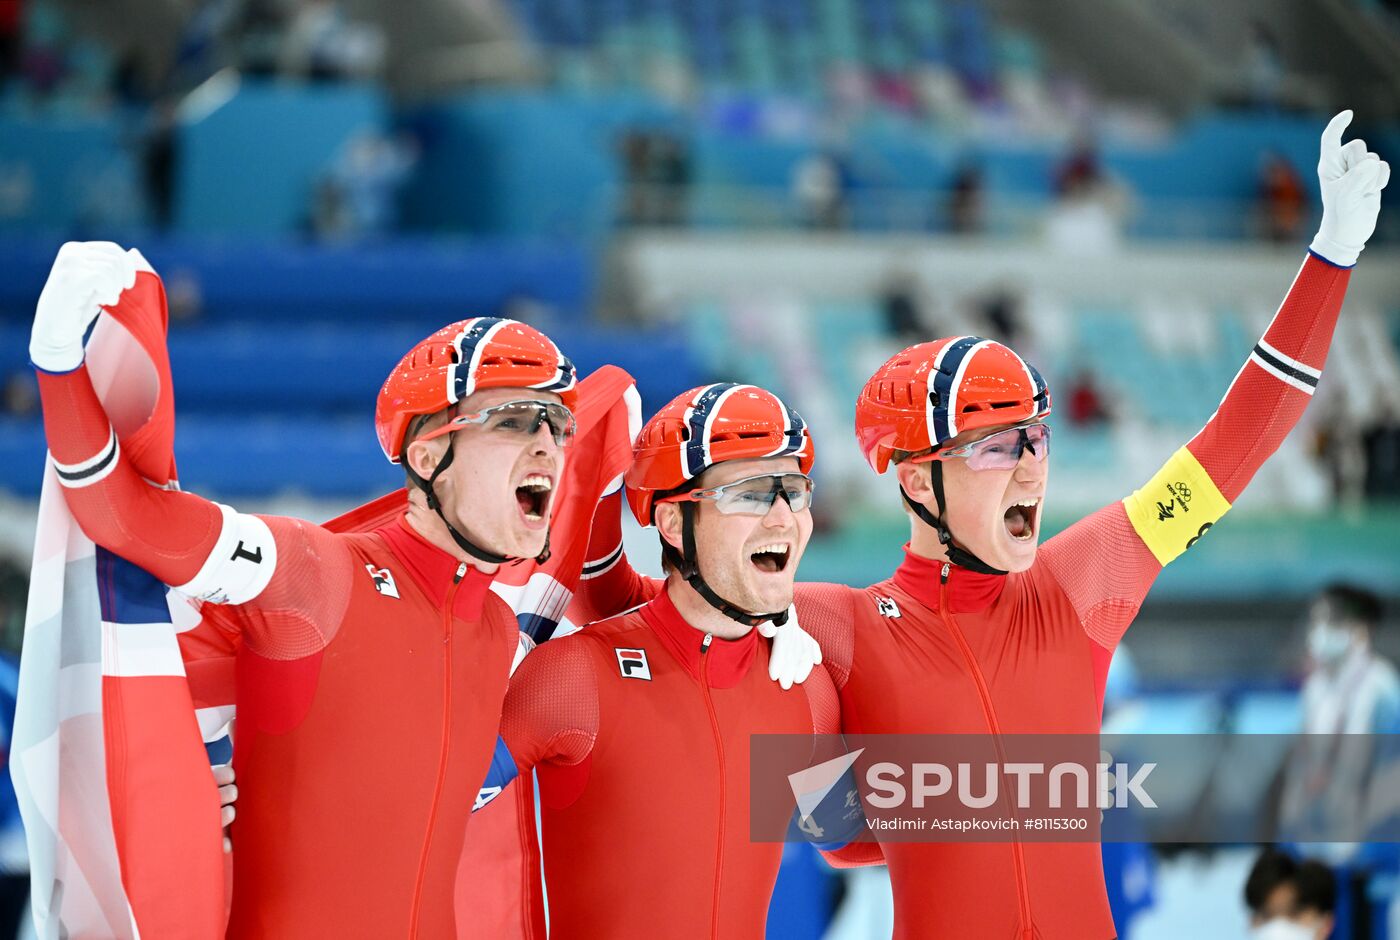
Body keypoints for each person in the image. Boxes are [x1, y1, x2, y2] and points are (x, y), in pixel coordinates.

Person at [576, 110, 1389, 937]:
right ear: (919, 478)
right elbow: (645, 628)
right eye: (999, 445)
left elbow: (1230, 451)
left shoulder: (1083, 583)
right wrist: (602, 505)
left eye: (1036, 436)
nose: (1034, 462)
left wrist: (1331, 258)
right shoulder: (836, 625)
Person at [28, 241, 582, 936]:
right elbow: (124, 518)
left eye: (558, 425)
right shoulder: (314, 571)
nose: (548, 447)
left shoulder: (496, 629)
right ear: (426, 454)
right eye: (512, 422)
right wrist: (57, 363)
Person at [486, 383, 847, 939]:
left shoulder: (803, 684)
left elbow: (848, 837)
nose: (782, 518)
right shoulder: (575, 676)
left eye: (793, 492)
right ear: (674, 523)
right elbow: (421, 810)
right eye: (749, 494)